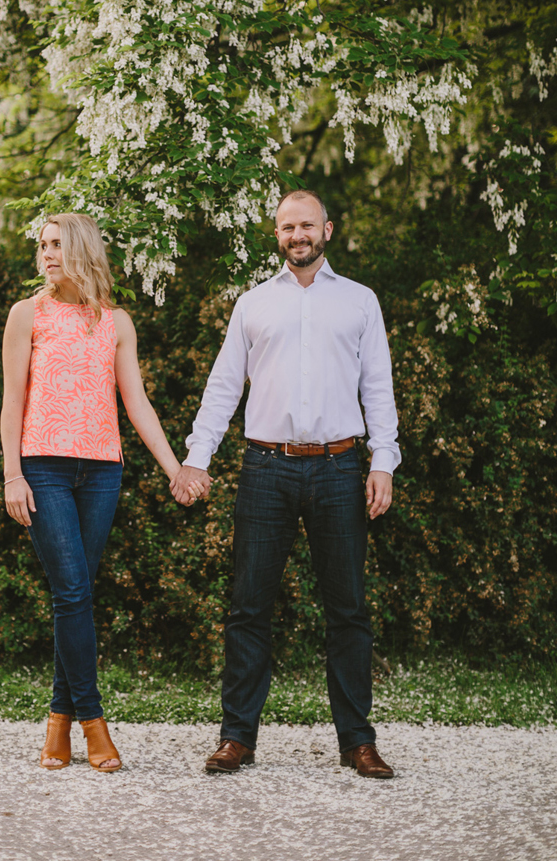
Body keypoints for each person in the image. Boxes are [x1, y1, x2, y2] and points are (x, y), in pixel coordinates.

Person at [172, 188, 400, 779]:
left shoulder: (359, 302)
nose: (296, 235)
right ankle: (237, 739)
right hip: (266, 468)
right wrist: (198, 458)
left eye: (306, 225)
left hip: (340, 467)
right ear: (276, 235)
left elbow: (378, 385)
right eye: (285, 227)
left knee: (347, 609)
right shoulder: (253, 305)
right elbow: (224, 387)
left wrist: (384, 462)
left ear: (328, 227)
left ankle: (358, 742)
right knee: (249, 606)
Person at [1, 213, 195, 773]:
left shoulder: (115, 322)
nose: (47, 254)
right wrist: (12, 473)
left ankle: (58, 723)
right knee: (71, 591)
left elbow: (136, 402)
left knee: (77, 593)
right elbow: (12, 402)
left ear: (82, 249)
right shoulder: (26, 315)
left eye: (58, 245)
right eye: (42, 245)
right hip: (44, 469)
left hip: (102, 471)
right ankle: (94, 723)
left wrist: (174, 468)